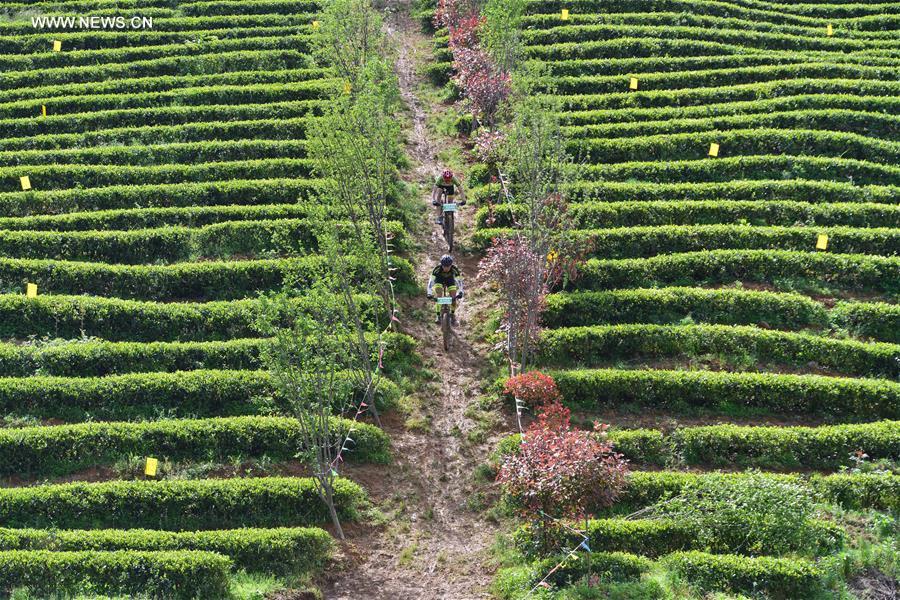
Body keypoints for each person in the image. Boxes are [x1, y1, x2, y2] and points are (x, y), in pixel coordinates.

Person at [426, 254, 463, 324]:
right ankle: (438, 315)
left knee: (453, 298)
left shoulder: (454, 269)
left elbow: (459, 281)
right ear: (441, 265)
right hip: (439, 280)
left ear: (451, 265)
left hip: (450, 280)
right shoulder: (437, 269)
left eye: (448, 267)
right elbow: (431, 282)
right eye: (444, 266)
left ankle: (452, 314)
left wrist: (461, 292)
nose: (446, 268)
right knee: (439, 296)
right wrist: (429, 293)